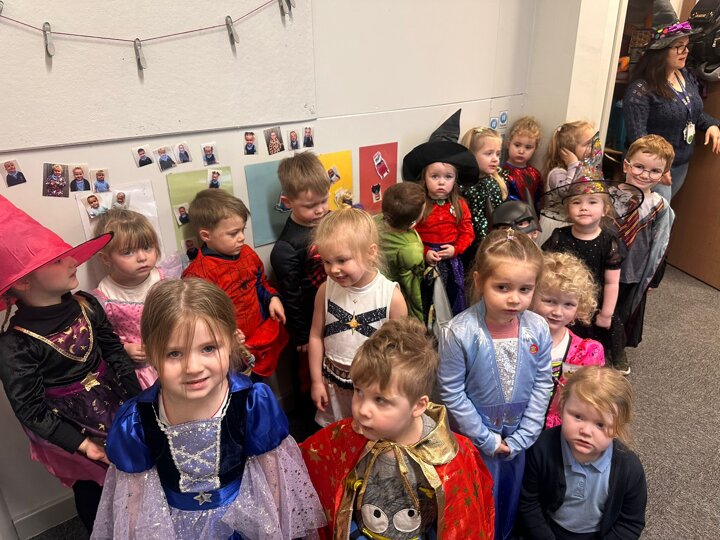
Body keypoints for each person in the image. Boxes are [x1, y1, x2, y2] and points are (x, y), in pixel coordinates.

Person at [90, 279, 326, 539]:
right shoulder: (137, 420)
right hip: (174, 528)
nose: (193, 367)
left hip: (242, 521)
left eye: (208, 348)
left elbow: (273, 478)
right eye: (174, 354)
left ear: (231, 342)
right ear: (152, 354)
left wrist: (276, 530)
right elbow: (133, 498)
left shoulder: (250, 403)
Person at [0, 196, 141, 533]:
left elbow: (115, 353)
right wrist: (83, 445)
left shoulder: (86, 304)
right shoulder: (15, 344)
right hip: (70, 429)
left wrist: (139, 400)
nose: (72, 261)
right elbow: (31, 409)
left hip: (115, 404)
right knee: (95, 491)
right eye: (59, 260)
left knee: (136, 474)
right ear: (23, 281)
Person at [300, 318, 495, 539]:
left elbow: (464, 519)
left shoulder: (448, 455)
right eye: (359, 391)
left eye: (380, 400)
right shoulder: (348, 435)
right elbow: (307, 460)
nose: (362, 410)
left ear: (418, 406)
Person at [436, 228, 552, 540]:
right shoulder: (459, 332)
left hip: (518, 438)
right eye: (502, 287)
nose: (514, 298)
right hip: (474, 439)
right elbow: (451, 391)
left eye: (525, 289)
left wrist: (526, 434)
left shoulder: (538, 328)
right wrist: (485, 438)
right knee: (475, 498)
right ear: (479, 282)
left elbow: (543, 382)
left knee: (509, 498)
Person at [517, 366, 647, 539]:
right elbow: (529, 503)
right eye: (578, 417)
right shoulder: (541, 448)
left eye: (600, 424)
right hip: (546, 531)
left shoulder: (629, 468)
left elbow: (630, 524)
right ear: (562, 407)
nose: (585, 431)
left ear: (618, 428)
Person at [308, 208, 407, 427]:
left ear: (371, 252)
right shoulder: (325, 290)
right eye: (326, 261)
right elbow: (315, 336)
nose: (334, 269)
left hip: (371, 391)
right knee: (338, 435)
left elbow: (399, 354)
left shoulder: (391, 297)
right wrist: (316, 381)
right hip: (332, 385)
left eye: (342, 260)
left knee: (368, 435)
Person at [541, 173, 641, 374]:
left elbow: (612, 282)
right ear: (568, 209)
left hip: (596, 302)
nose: (584, 207)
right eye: (576, 202)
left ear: (605, 210)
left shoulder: (609, 242)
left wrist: (606, 314)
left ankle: (605, 357)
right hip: (564, 296)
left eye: (592, 202)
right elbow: (544, 267)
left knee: (601, 334)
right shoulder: (559, 237)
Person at [182, 189, 288, 379]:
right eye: (233, 233)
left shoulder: (247, 253)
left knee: (262, 387)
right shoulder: (198, 274)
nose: (241, 237)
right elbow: (200, 318)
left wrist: (273, 298)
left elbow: (260, 282)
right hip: (230, 349)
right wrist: (224, 333)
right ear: (206, 235)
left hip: (260, 337)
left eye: (242, 230)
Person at [623, 0, 720, 202]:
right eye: (679, 47)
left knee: (663, 214)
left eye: (686, 46)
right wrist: (657, 168)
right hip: (652, 170)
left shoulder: (684, 75)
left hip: (680, 165)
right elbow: (638, 137)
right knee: (652, 219)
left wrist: (711, 124)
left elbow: (691, 111)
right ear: (661, 51)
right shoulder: (641, 89)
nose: (686, 51)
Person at [92, 209, 182, 389]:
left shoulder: (165, 278)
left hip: (178, 354)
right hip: (145, 372)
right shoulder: (105, 296)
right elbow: (103, 337)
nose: (142, 257)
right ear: (106, 258)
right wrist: (124, 348)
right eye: (128, 252)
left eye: (147, 247)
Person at [270, 152, 330, 402]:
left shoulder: (328, 221)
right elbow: (291, 296)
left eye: (324, 201)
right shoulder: (287, 247)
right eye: (310, 206)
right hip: (309, 320)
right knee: (309, 377)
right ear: (287, 202)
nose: (320, 209)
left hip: (335, 311)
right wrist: (303, 335)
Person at [403, 138, 476, 316]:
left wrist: (456, 249)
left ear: (455, 180)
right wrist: (425, 252)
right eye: (435, 176)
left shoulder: (460, 204)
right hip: (426, 260)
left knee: (451, 296)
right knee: (427, 298)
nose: (441, 182)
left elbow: (468, 232)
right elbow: (410, 235)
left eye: (448, 177)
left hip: (451, 261)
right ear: (424, 178)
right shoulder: (419, 204)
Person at [532, 252, 604, 429]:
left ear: (580, 306)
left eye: (568, 304)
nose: (557, 312)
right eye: (549, 301)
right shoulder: (513, 337)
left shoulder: (584, 352)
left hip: (556, 431)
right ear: (532, 297)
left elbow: (587, 400)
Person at [616, 135, 675, 351]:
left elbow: (662, 244)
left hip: (633, 271)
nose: (645, 175)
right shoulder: (606, 197)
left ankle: (616, 350)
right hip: (603, 266)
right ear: (626, 165)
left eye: (654, 170)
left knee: (622, 314)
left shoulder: (660, 206)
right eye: (639, 166)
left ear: (663, 174)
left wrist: (653, 279)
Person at [375, 181, 426, 322]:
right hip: (395, 294)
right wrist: (418, 318)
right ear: (413, 221)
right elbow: (413, 286)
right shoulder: (411, 247)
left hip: (376, 287)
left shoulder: (374, 221)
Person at [537, 121, 595, 245]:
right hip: (555, 225)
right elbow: (567, 192)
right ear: (569, 151)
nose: (592, 148)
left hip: (571, 225)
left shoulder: (584, 171)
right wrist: (573, 164)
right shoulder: (557, 172)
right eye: (587, 144)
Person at [459, 126, 508, 263]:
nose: (495, 159)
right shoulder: (462, 184)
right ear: (470, 155)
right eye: (489, 153)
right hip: (467, 243)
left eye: (498, 154)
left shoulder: (492, 182)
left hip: (488, 243)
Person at [500, 116, 543, 210]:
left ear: (535, 148)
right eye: (517, 145)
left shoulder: (535, 174)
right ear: (508, 144)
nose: (521, 151)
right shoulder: (501, 173)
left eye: (528, 147)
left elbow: (538, 202)